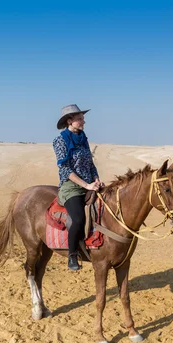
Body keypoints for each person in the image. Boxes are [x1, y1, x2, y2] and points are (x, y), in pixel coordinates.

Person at [53, 104, 104, 271]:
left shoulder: (83, 138)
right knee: (78, 219)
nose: (83, 121)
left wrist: (96, 179)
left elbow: (90, 163)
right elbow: (65, 169)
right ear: (70, 121)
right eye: (80, 119)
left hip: (89, 183)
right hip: (72, 187)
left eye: (83, 118)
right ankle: (73, 254)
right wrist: (86, 184)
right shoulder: (60, 140)